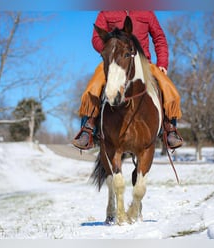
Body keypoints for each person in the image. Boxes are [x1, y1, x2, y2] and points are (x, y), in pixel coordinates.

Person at [72, 11, 183, 150]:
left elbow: (159, 38)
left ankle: (169, 129)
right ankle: (88, 129)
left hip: (144, 62)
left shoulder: (147, 12)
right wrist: (113, 50)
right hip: (114, 61)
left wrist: (162, 63)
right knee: (93, 86)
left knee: (169, 89)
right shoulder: (106, 12)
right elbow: (96, 38)